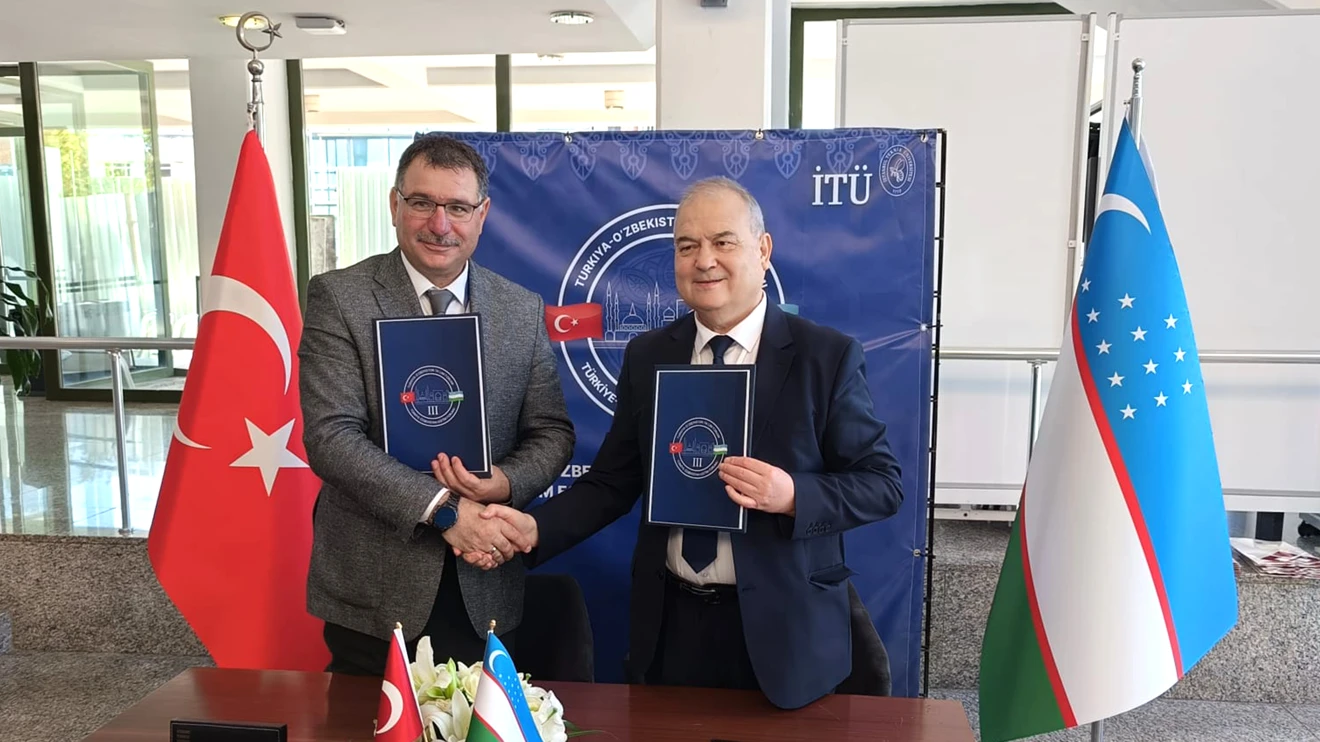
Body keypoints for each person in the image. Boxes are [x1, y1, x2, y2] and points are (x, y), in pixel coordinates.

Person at [454, 176, 904, 709]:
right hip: (670, 628)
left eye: (722, 242)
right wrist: (534, 529)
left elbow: (881, 484)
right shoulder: (649, 355)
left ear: (763, 251)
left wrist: (792, 495)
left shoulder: (825, 357)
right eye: (687, 246)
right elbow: (613, 482)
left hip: (785, 634)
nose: (703, 260)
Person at [298, 134, 575, 676]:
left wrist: (505, 483)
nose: (440, 224)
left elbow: (552, 432)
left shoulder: (520, 309)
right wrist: (444, 511)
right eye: (422, 202)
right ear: (395, 204)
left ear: (482, 214)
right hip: (376, 591)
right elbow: (331, 437)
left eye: (458, 207)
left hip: (487, 580)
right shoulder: (339, 297)